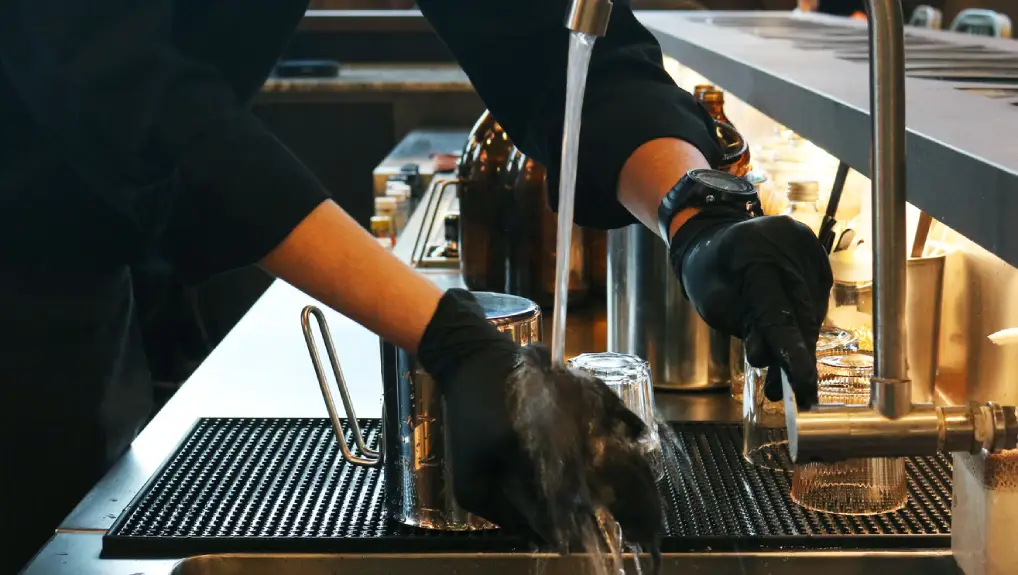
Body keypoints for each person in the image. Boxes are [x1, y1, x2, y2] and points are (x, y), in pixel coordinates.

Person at [0, 0, 832, 570]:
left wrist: (699, 209)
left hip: (84, 268)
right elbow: (119, 84)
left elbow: (554, 36)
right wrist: (451, 338)